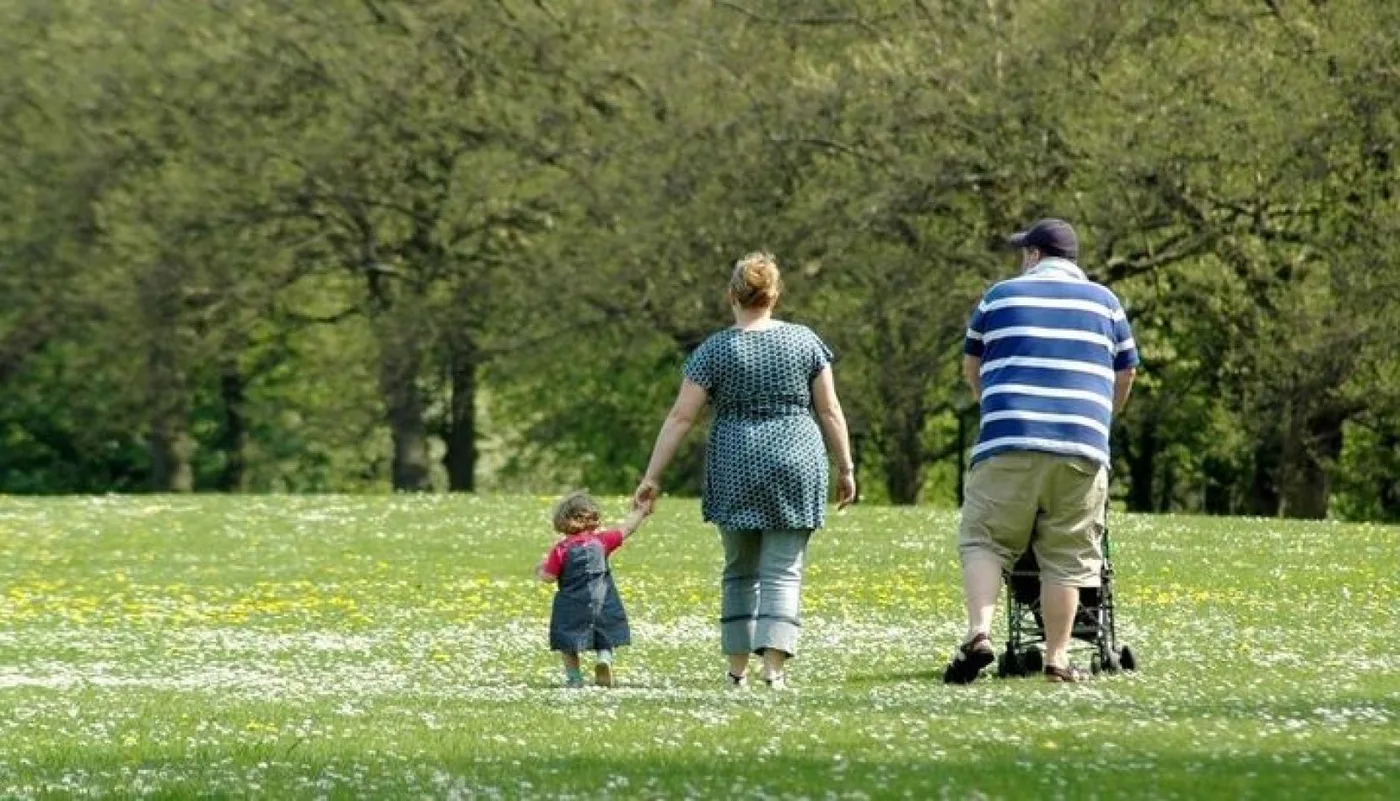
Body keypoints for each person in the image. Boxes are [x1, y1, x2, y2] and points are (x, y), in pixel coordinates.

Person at [633, 252, 856, 690]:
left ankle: (737, 670)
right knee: (783, 569)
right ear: (775, 295)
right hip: (796, 459)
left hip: (736, 461)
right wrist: (845, 466)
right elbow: (828, 409)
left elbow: (681, 417)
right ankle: (774, 669)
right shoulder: (806, 342)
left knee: (739, 570)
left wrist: (652, 476)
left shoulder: (713, 350)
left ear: (731, 294)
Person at [944, 218, 1138, 684]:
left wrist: (991, 403)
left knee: (985, 539)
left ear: (1033, 255)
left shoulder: (999, 296)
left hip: (1008, 438)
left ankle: (979, 634)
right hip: (1082, 446)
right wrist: (1099, 420)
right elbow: (1125, 374)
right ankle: (1056, 658)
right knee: (1067, 556)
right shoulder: (1107, 303)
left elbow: (972, 366)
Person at [536, 491, 652, 688]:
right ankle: (604, 659)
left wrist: (539, 568)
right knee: (604, 631)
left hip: (572, 604)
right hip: (602, 599)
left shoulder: (561, 550)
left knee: (567, 641)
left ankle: (574, 678)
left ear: (563, 521)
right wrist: (640, 511)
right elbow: (627, 528)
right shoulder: (603, 541)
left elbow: (549, 578)